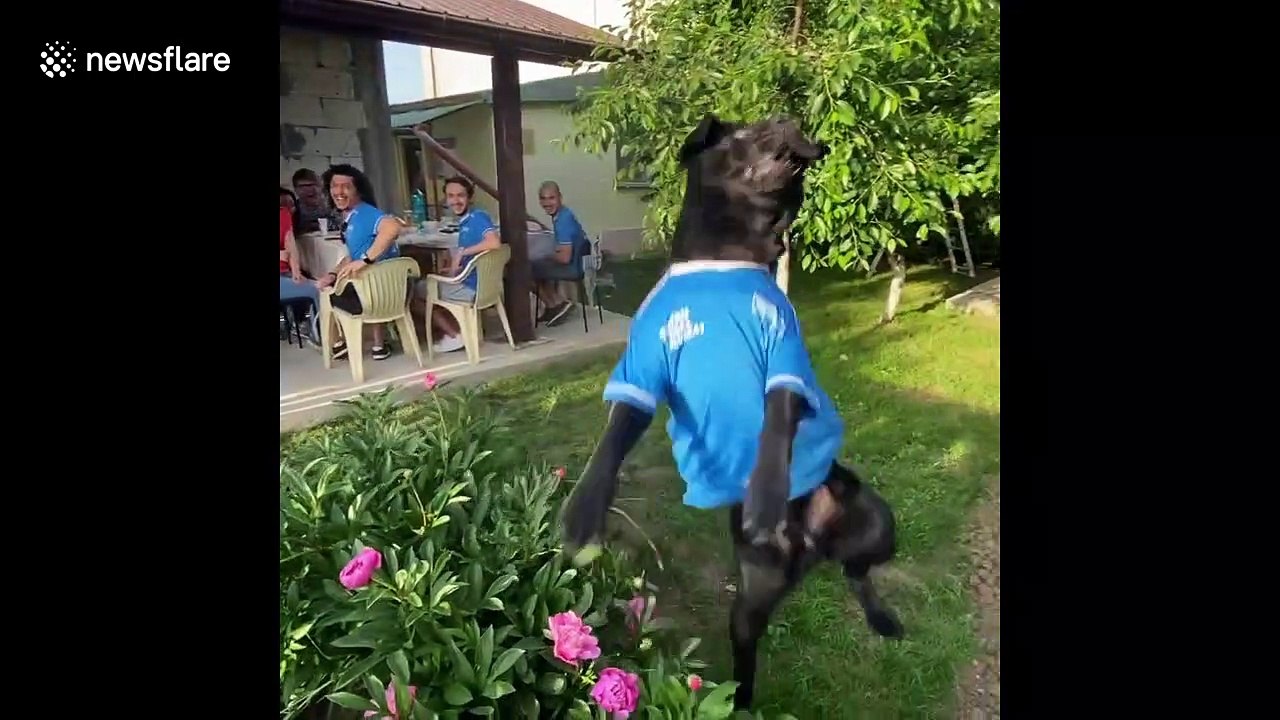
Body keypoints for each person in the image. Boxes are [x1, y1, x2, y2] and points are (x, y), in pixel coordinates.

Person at [314, 164, 403, 361]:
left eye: (346, 186)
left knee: (328, 293)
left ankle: (339, 343)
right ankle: (378, 346)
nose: (339, 191)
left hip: (380, 293)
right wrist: (333, 274)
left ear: (358, 190)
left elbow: (392, 228)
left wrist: (365, 260)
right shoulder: (352, 217)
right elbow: (352, 258)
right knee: (344, 280)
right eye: (334, 186)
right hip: (384, 290)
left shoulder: (366, 213)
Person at [416, 176, 502, 354]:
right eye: (451, 196)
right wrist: (455, 268)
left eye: (460, 195)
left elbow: (494, 243)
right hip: (478, 283)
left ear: (469, 197)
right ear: (446, 199)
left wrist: (462, 252)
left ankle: (454, 334)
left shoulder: (477, 218)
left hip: (472, 288)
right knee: (434, 280)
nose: (456, 201)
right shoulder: (469, 220)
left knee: (415, 292)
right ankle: (458, 329)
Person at [532, 180, 589, 326]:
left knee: (524, 269)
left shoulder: (563, 220)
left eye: (551, 198)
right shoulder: (563, 214)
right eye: (543, 199)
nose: (547, 203)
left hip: (572, 268)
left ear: (560, 198)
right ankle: (553, 307)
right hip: (576, 263)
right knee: (535, 265)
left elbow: (564, 257)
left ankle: (559, 303)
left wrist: (547, 254)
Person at [279, 197, 321, 345]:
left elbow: (290, 245)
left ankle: (320, 335)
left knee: (319, 288)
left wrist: (296, 271)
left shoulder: (283, 213)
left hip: (284, 275)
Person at [292, 168, 341, 233]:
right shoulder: (293, 210)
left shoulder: (335, 206)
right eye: (303, 186)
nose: (309, 190)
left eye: (312, 185)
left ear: (321, 186)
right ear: (296, 190)